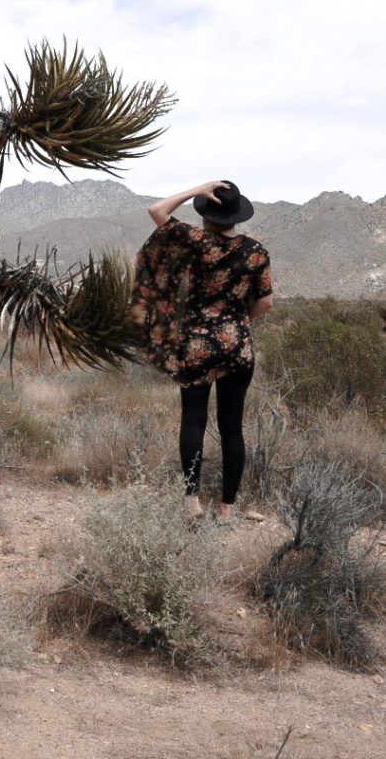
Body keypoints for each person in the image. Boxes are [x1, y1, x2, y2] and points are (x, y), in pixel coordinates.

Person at [132, 180, 274, 522]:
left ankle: (192, 503)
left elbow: (157, 211)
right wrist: (239, 325)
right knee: (232, 428)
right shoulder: (256, 251)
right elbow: (266, 302)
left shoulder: (193, 240)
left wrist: (197, 188)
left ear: (206, 213)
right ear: (236, 216)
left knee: (193, 421)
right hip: (237, 348)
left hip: (195, 346)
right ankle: (227, 508)